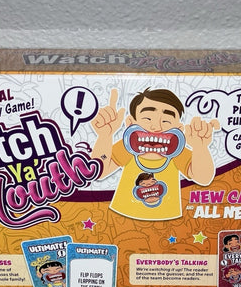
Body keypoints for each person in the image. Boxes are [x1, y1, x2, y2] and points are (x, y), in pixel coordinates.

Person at [91, 87, 219, 220]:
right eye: (147, 118)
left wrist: (200, 147)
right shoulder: (128, 146)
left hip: (169, 221)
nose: (156, 127)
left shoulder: (177, 151)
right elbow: (98, 171)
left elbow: (203, 178)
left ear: (179, 129)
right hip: (122, 217)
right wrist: (105, 136)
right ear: (130, 123)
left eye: (166, 121)